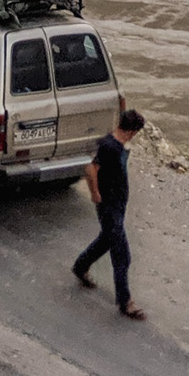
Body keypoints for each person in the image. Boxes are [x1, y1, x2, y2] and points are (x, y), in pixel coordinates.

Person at [73, 108, 147, 319]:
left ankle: (80, 266)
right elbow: (91, 169)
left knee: (106, 240)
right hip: (110, 207)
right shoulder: (110, 148)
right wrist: (95, 193)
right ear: (132, 131)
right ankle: (125, 302)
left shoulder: (114, 145)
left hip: (117, 206)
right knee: (122, 255)